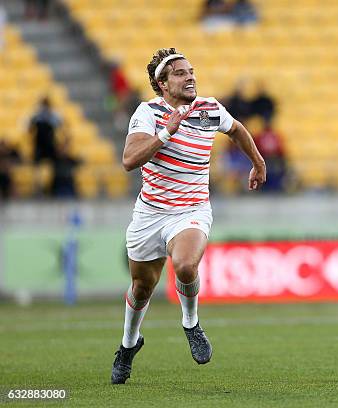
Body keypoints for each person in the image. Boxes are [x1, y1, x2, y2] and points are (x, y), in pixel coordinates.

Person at [111, 48, 266, 384]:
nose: (190, 76)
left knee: (184, 265)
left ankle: (190, 322)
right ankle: (128, 345)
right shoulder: (148, 113)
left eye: (191, 70)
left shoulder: (209, 109)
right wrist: (167, 131)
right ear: (162, 83)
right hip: (150, 213)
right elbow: (128, 160)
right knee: (141, 287)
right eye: (180, 73)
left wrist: (258, 162)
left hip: (192, 209)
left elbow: (237, 130)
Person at [29, 97, 61, 164]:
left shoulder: (53, 115)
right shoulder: (36, 115)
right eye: (43, 105)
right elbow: (29, 127)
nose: (45, 108)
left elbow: (59, 125)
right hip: (39, 143)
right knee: (37, 161)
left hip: (50, 142)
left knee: (53, 162)